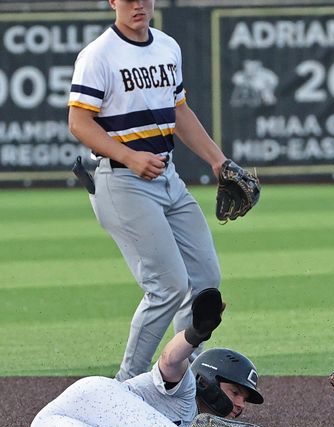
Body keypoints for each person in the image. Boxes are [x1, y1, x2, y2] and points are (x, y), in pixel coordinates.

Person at [29, 289, 334, 427]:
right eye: (235, 392)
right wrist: (196, 334)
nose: (241, 405)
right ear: (210, 382)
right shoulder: (186, 389)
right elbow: (171, 360)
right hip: (96, 399)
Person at [67, 0, 228, 381]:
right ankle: (124, 388)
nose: (137, 4)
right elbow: (78, 121)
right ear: (112, 2)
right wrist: (130, 156)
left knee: (205, 282)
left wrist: (217, 159)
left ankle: (181, 378)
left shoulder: (168, 46)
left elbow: (179, 111)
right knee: (168, 286)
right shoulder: (98, 54)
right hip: (122, 180)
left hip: (168, 178)